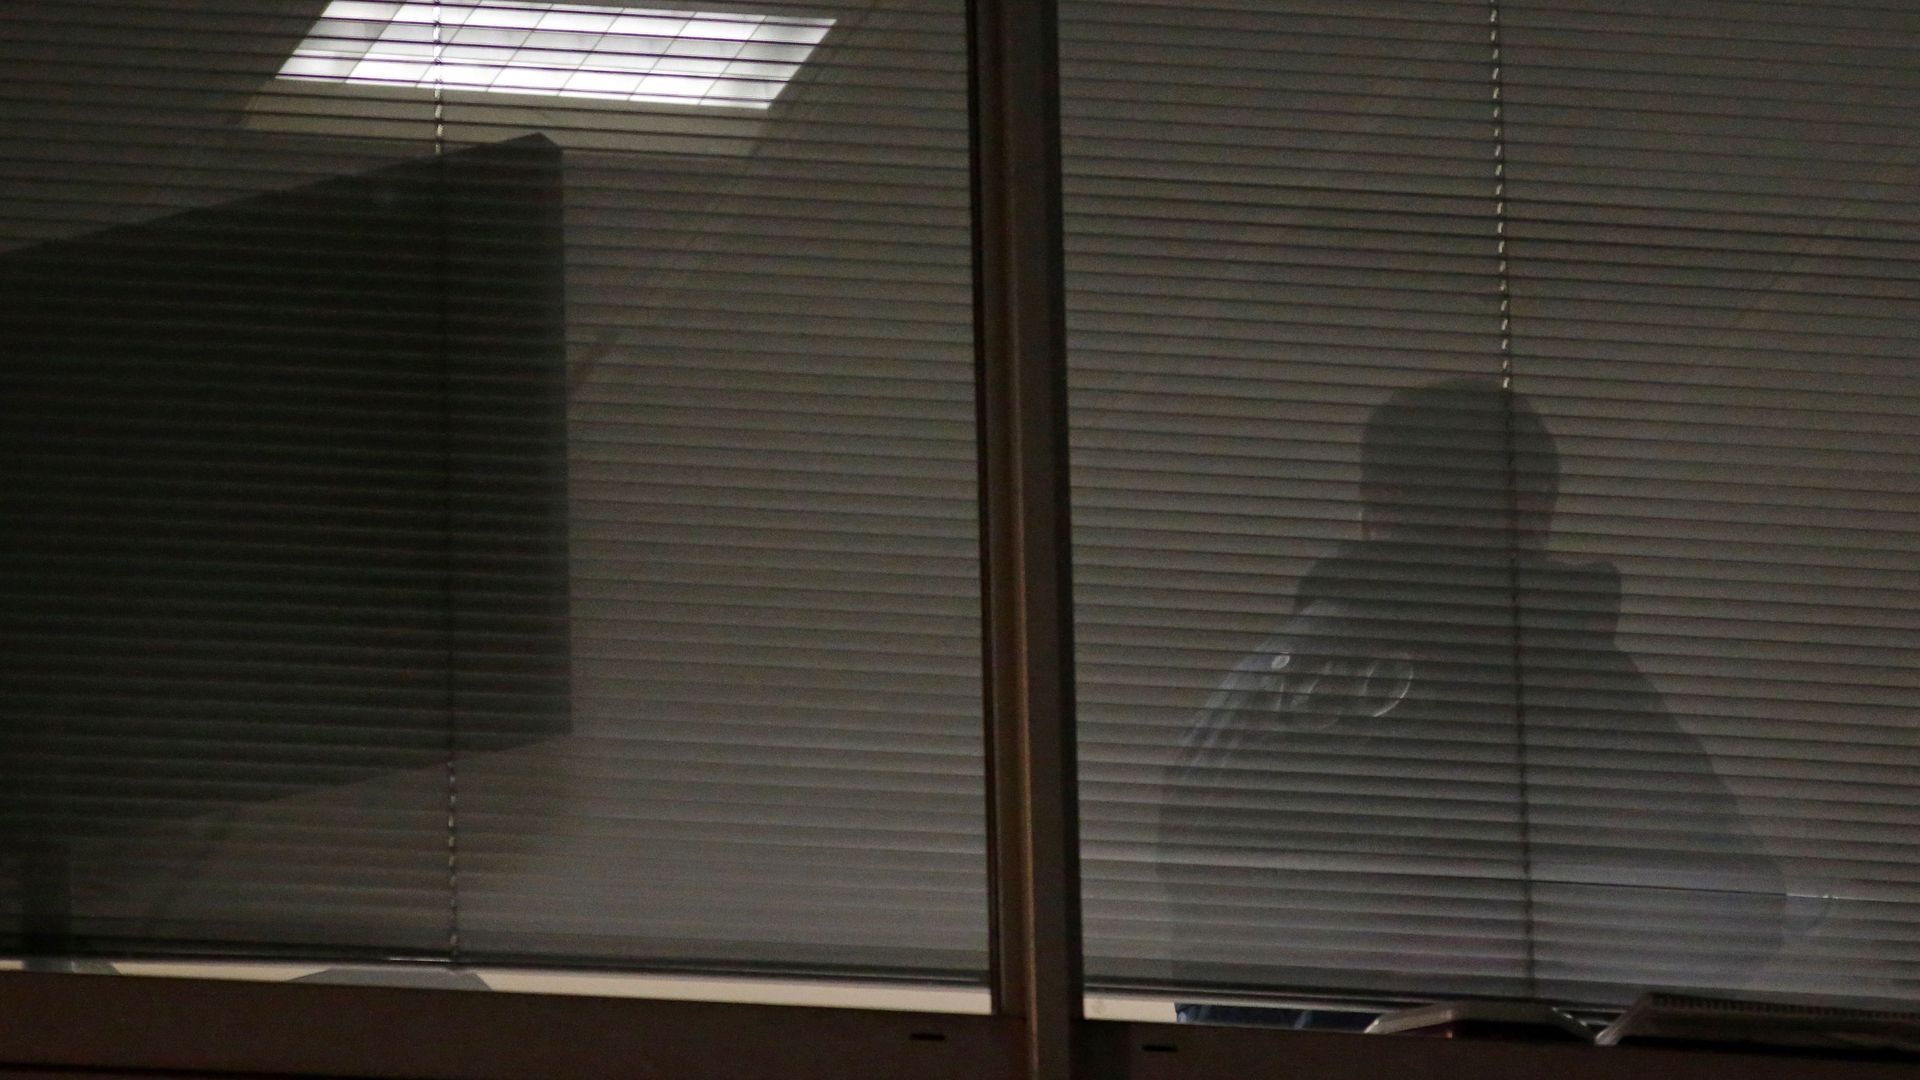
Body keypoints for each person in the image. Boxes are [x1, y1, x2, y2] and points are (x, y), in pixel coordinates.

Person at [1161, 378, 1782, 1025]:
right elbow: (1729, 913)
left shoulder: (1249, 697)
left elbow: (1204, 954)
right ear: (1532, 508)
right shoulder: (1565, 679)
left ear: (1371, 508)